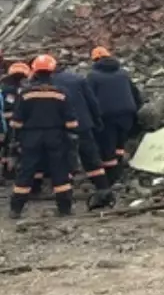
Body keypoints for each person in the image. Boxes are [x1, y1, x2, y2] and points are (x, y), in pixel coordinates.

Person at [10, 55, 78, 219]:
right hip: (55, 136)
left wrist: (18, 139)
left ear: (34, 71)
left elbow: (16, 122)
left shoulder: (25, 94)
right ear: (52, 71)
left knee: (26, 171)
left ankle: (16, 209)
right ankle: (64, 209)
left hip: (31, 137)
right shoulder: (61, 93)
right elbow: (72, 123)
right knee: (59, 170)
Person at [51, 56, 114, 208]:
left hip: (60, 128)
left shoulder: (45, 85)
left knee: (63, 161)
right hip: (83, 125)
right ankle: (104, 190)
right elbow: (92, 102)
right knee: (91, 159)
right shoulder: (77, 79)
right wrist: (97, 120)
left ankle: (65, 199)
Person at [87, 46, 143, 185]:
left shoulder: (93, 76)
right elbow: (135, 94)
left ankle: (110, 179)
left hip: (107, 117)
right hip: (127, 115)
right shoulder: (122, 73)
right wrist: (136, 111)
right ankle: (119, 172)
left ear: (94, 60)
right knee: (119, 145)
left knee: (107, 148)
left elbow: (89, 98)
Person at [1, 61, 30, 182]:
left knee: (8, 147)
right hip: (14, 123)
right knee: (14, 147)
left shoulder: (5, 88)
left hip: (8, 123)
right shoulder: (23, 89)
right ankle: (12, 171)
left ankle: (8, 171)